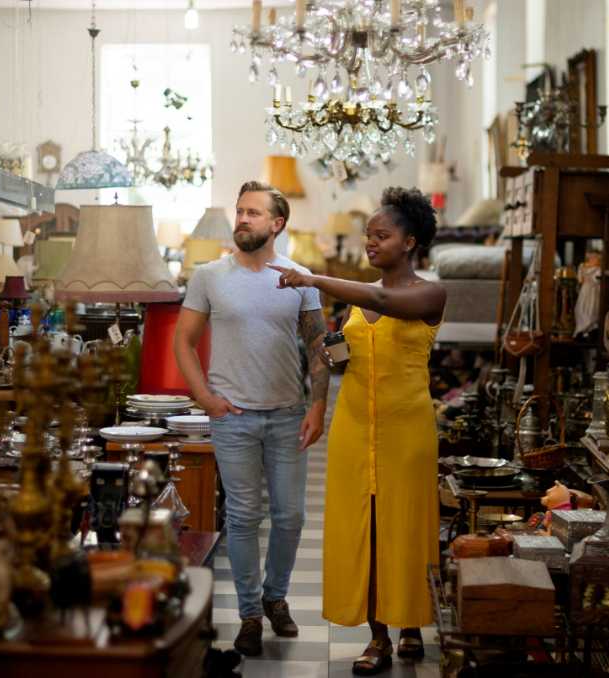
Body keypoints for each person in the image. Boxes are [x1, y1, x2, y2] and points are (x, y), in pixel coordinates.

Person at [270, 186, 445, 675]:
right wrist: (332, 353)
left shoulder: (429, 293)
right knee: (362, 528)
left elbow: (381, 298)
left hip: (407, 427)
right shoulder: (354, 306)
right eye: (368, 235)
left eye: (381, 235)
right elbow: (349, 353)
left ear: (410, 242)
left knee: (405, 526)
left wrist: (312, 277)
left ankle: (411, 622)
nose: (371, 243)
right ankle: (379, 637)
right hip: (354, 424)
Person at [174, 180, 330, 657]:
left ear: (277, 224)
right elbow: (183, 341)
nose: (242, 219)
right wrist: (205, 397)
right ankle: (248, 614)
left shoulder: (300, 278)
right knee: (243, 517)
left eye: (253, 213)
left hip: (287, 415)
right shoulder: (210, 276)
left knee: (290, 516)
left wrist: (319, 405)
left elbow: (319, 348)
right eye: (240, 211)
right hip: (233, 417)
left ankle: (276, 596)